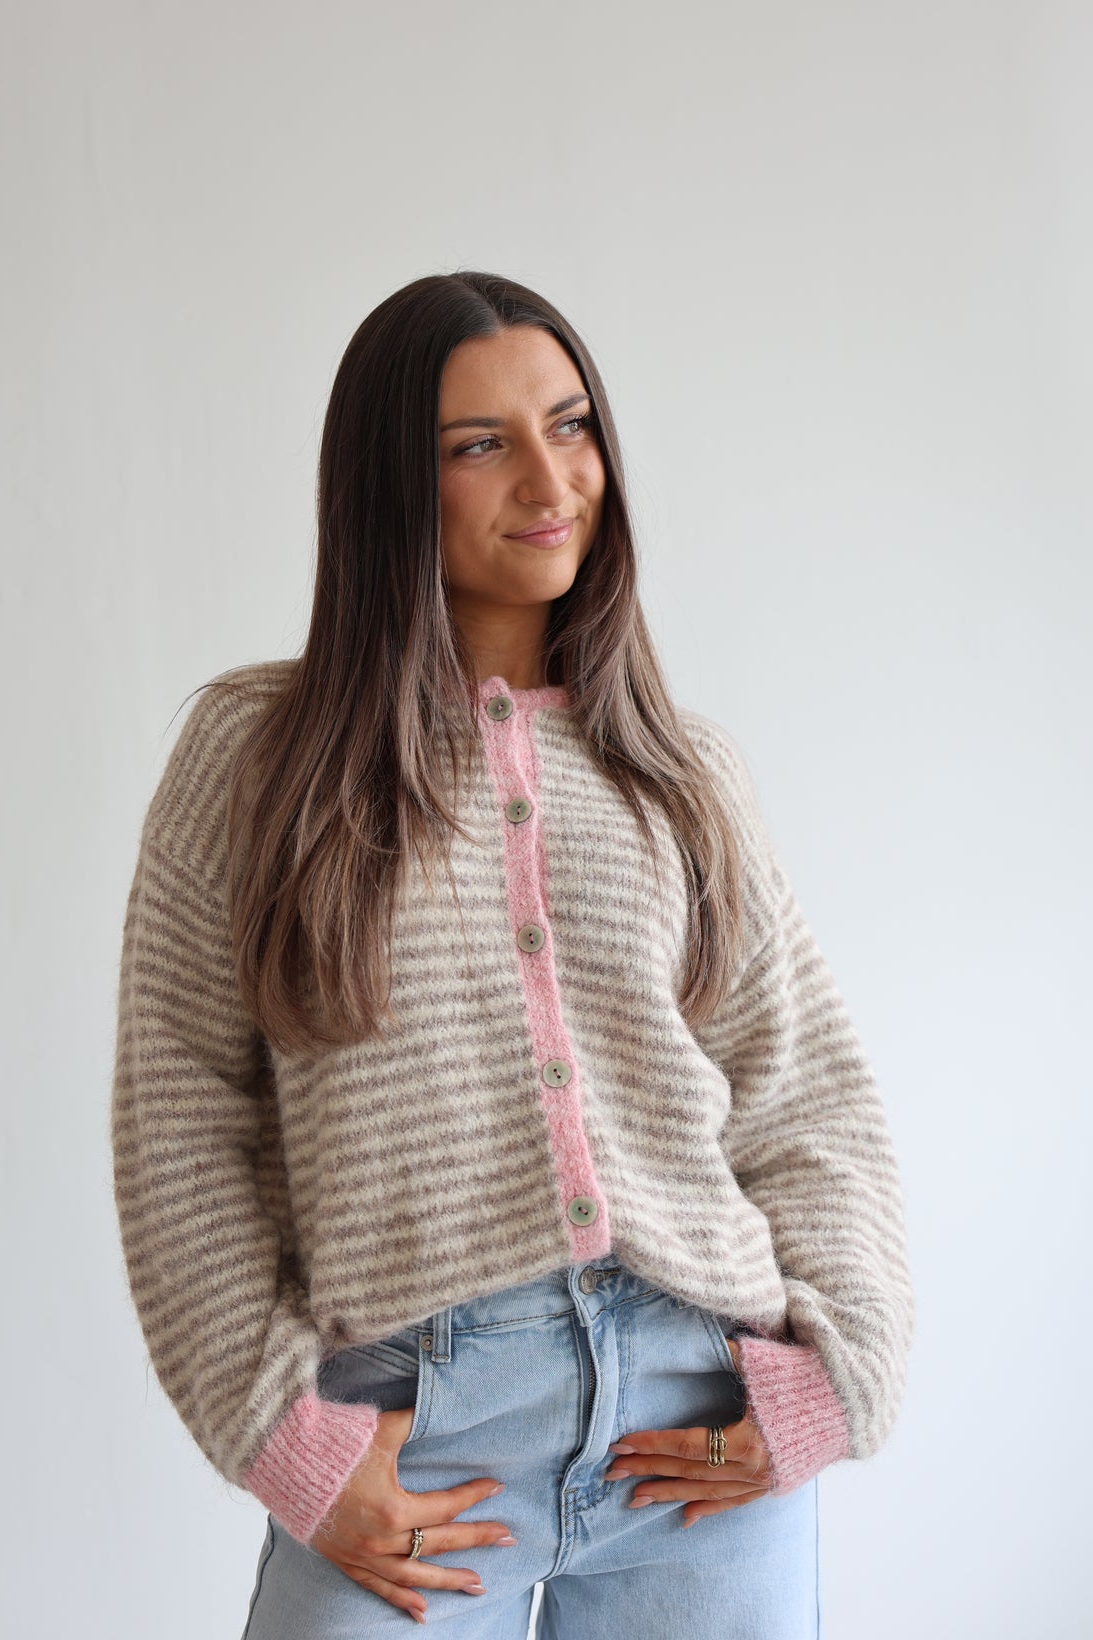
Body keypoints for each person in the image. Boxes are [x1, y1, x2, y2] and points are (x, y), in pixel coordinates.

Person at [112, 269, 914, 1638]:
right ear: (389, 486)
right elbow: (182, 1115)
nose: (551, 480)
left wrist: (839, 1381)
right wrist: (285, 1440)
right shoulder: (258, 757)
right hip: (415, 1433)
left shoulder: (684, 774)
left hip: (698, 1419)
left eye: (572, 425)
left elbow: (804, 1096)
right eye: (479, 444)